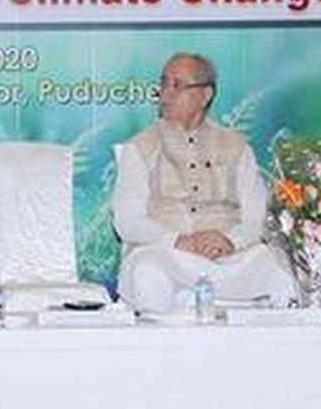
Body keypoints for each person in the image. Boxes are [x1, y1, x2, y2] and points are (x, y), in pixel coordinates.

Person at [112, 52, 296, 313]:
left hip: (230, 259)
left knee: (278, 267)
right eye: (164, 83)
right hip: (168, 255)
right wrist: (178, 240)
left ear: (205, 95)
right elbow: (127, 221)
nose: (166, 93)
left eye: (177, 85)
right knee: (147, 270)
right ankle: (163, 340)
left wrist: (230, 241)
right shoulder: (140, 147)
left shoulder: (237, 147)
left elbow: (257, 217)